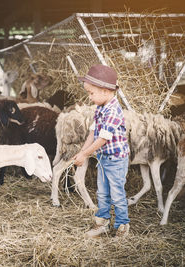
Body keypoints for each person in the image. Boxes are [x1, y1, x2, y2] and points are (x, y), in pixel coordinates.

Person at [73, 64, 130, 238]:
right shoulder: (100, 108)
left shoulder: (113, 110)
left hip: (116, 159)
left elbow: (103, 138)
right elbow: (93, 131)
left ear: (105, 91)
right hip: (104, 158)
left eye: (91, 93)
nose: (89, 97)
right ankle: (102, 223)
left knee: (117, 194)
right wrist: (82, 151)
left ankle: (122, 226)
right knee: (102, 192)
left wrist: (84, 154)